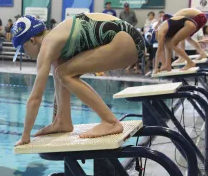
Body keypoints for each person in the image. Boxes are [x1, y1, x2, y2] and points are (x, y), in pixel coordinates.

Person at [12, 13, 145, 146]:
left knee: (65, 73)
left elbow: (35, 98)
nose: (26, 55)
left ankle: (110, 122)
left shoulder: (48, 44)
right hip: (128, 39)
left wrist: (25, 136)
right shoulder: (56, 39)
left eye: (23, 50)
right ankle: (62, 121)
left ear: (32, 40)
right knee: (60, 69)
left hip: (127, 40)